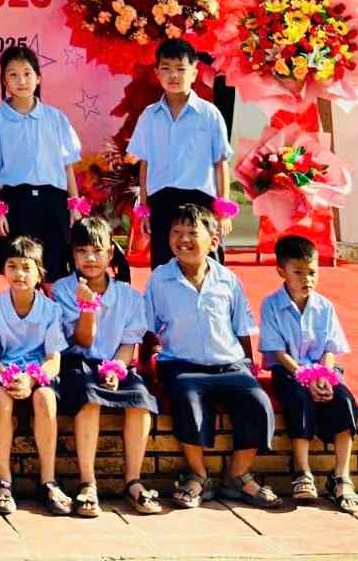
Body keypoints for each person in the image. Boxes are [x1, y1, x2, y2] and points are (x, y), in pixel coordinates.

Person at [144, 203, 281, 511]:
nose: (183, 239)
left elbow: (241, 327)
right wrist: (147, 367)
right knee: (187, 401)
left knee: (257, 402)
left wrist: (248, 365)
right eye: (176, 232)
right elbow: (149, 328)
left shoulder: (228, 280)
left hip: (229, 364)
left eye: (192, 233)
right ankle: (198, 476)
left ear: (214, 241)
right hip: (181, 365)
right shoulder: (159, 279)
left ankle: (238, 475)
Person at [53, 216, 161, 517]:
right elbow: (83, 340)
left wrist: (115, 369)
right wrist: (87, 308)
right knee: (89, 398)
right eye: (82, 251)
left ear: (110, 253)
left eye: (97, 250)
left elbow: (128, 344)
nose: (89, 258)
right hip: (78, 361)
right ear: (73, 254)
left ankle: (133, 481)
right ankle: (88, 482)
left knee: (139, 399)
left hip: (116, 362)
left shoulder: (128, 295)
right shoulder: (63, 290)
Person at [262, 234, 358, 511]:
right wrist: (304, 377)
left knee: (344, 400)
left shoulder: (324, 306)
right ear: (281, 271)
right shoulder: (271, 305)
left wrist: (324, 377)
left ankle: (341, 475)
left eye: (312, 272)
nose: (307, 279)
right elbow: (277, 351)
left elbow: (330, 347)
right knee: (298, 399)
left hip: (322, 371)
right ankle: (302, 471)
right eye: (298, 272)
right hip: (289, 370)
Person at [0, 235, 68, 517]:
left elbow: (54, 360)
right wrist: (8, 376)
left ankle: (48, 480)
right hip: (4, 374)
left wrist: (32, 379)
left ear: (40, 273)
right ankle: (4, 481)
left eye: (27, 267)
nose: (19, 274)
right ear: (4, 270)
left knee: (45, 399)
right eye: (12, 266)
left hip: (38, 376)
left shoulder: (51, 310)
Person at [126, 39, 234, 268]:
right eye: (166, 68)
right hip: (162, 201)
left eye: (181, 69)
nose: (173, 75)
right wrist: (144, 208)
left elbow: (220, 162)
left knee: (207, 266)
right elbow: (145, 164)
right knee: (164, 267)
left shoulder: (209, 114)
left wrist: (223, 209)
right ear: (157, 72)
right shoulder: (149, 116)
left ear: (194, 73)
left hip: (201, 200)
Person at [0, 45, 83, 281]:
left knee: (55, 273)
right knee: (21, 273)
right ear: (4, 81)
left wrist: (74, 205)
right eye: (13, 75)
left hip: (53, 203)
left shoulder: (55, 118)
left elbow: (67, 164)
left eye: (27, 73)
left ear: (38, 78)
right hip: (16, 203)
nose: (21, 81)